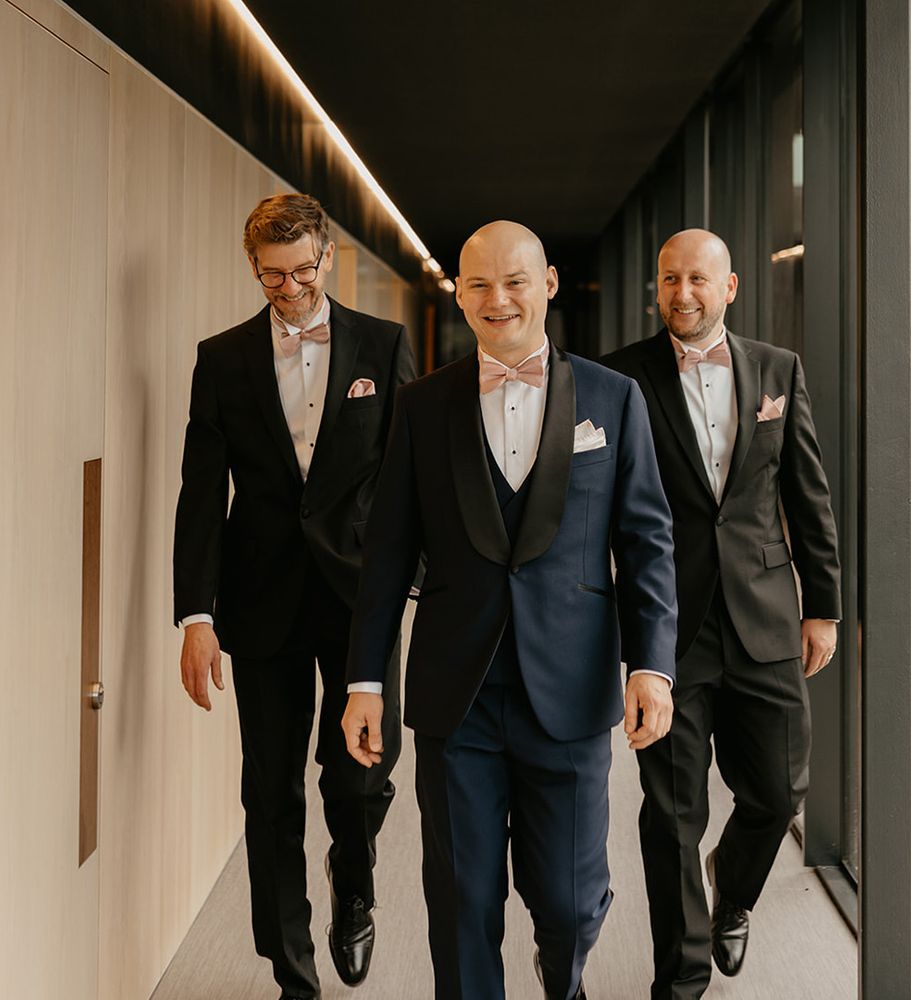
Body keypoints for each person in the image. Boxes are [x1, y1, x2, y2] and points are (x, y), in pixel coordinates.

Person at [340, 220, 678, 1000]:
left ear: (549, 284)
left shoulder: (613, 397)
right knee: (462, 899)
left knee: (567, 902)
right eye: (480, 284)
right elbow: (387, 551)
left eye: (515, 281)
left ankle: (563, 973)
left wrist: (651, 664)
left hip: (572, 687)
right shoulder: (423, 406)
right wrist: (364, 682)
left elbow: (648, 541)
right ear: (459, 294)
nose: (499, 299)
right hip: (457, 695)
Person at [172, 193, 415, 999]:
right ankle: (292, 970)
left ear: (328, 257)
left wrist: (417, 580)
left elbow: (410, 478)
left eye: (302, 271)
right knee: (268, 789)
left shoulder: (384, 346)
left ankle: (355, 883)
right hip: (262, 599)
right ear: (253, 268)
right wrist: (196, 615)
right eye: (272, 276)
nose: (290, 289)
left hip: (361, 600)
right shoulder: (222, 357)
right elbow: (201, 495)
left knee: (359, 776)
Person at [603, 229, 841, 998]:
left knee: (777, 792)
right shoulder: (623, 378)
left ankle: (732, 894)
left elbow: (806, 495)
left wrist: (824, 606)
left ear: (729, 287)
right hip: (667, 628)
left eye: (698, 280)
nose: (683, 294)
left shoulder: (778, 369)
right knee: (672, 813)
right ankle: (682, 979)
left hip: (766, 615)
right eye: (669, 279)